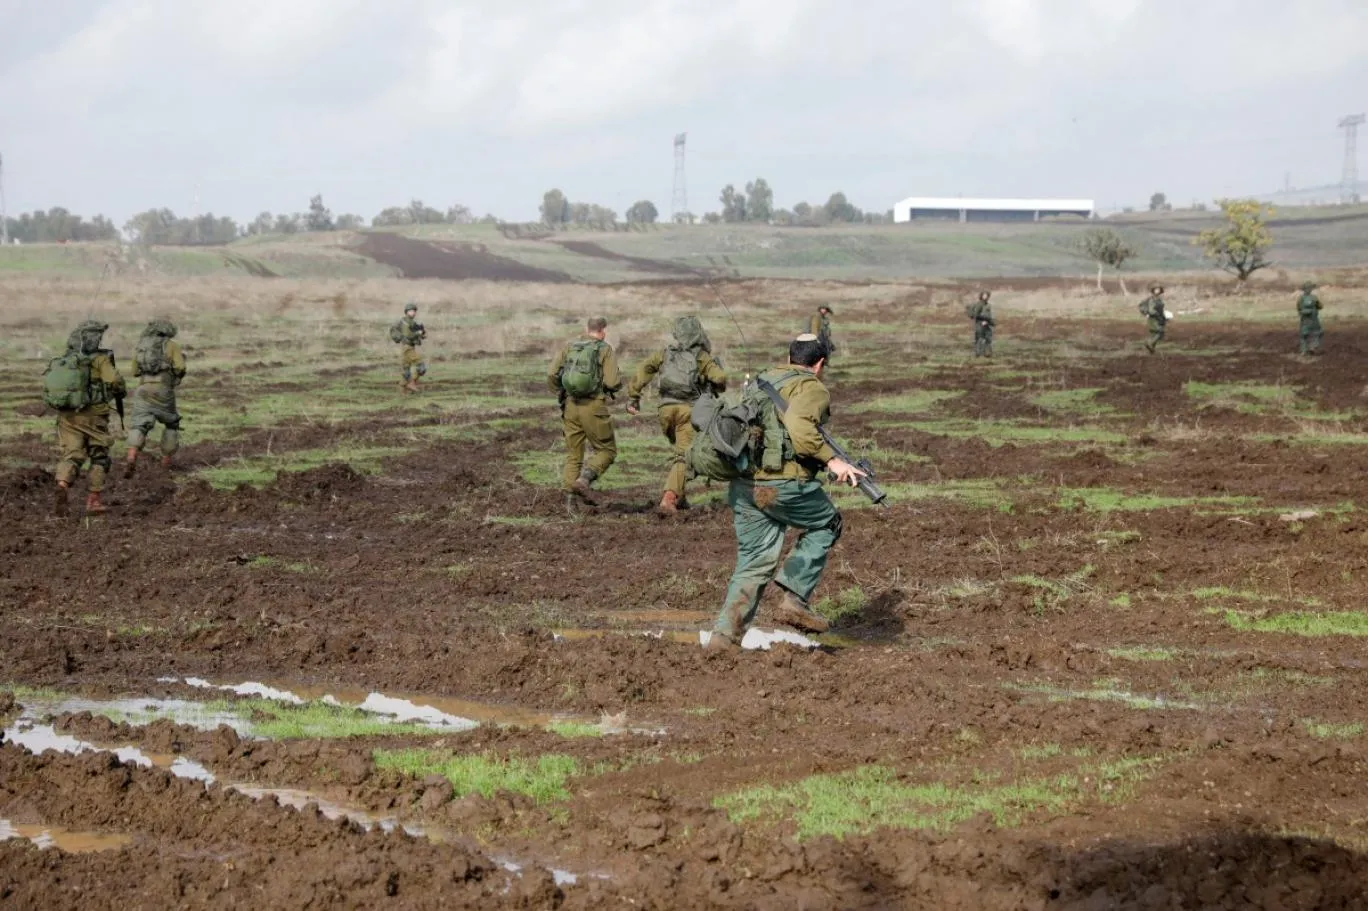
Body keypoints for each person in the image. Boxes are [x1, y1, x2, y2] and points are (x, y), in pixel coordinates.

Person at [706, 333, 866, 651]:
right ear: (819, 364)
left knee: (753, 562)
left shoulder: (763, 380)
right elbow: (800, 428)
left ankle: (723, 640)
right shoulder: (812, 387)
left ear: (790, 356)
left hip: (745, 485)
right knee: (827, 523)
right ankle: (795, 596)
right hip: (782, 485)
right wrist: (834, 463)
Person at [627, 315, 728, 516]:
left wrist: (633, 397)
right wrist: (710, 383)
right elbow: (720, 378)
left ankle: (681, 498)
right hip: (687, 411)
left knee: (680, 452)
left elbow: (643, 370)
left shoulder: (665, 353)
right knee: (684, 456)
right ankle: (669, 498)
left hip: (665, 411)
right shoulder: (701, 356)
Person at [46, 320, 126, 516]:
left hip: (68, 416)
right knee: (100, 457)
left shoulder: (67, 358)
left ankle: (63, 484)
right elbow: (114, 380)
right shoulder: (100, 359)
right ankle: (93, 501)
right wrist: (120, 391)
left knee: (72, 455)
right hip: (94, 416)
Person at [547, 316, 622, 504]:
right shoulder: (605, 350)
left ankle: (568, 503)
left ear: (587, 329)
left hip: (570, 406)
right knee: (607, 451)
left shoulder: (570, 347)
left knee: (574, 455)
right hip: (593, 407)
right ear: (603, 331)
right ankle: (585, 479)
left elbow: (551, 373)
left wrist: (560, 391)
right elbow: (612, 382)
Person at [124, 319, 186, 475]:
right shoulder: (171, 345)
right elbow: (180, 367)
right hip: (163, 389)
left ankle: (131, 456)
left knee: (139, 424)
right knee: (171, 424)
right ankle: (165, 464)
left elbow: (134, 372)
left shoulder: (142, 346)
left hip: (143, 389)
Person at [392, 303, 427, 392]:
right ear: (406, 312)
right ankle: (412, 384)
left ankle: (402, 393)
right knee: (421, 366)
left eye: (414, 311)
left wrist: (421, 334)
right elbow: (408, 335)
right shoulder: (405, 322)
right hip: (407, 348)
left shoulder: (412, 322)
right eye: (411, 311)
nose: (413, 313)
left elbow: (416, 334)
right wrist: (417, 333)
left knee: (406, 372)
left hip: (408, 348)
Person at [1138, 285, 1168, 354]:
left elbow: (1160, 309)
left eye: (1159, 289)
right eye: (1156, 289)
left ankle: (1152, 350)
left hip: (1158, 317)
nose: (1157, 291)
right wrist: (1158, 316)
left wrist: (1163, 316)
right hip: (1154, 318)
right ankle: (1149, 343)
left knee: (1154, 334)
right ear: (1153, 291)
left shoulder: (1159, 299)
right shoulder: (1152, 299)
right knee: (1160, 333)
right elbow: (1151, 311)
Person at [1296, 281, 1323, 356]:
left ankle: (1305, 350)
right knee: (1316, 333)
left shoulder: (1301, 298)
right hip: (1312, 318)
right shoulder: (1314, 298)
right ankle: (1312, 347)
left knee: (1305, 334)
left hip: (1307, 319)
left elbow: (1299, 308)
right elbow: (1320, 306)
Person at [968, 291, 995, 358]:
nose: (985, 297)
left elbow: (989, 315)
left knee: (988, 339)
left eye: (986, 295)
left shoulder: (988, 305)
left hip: (987, 324)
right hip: (980, 324)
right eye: (984, 295)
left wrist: (990, 322)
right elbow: (975, 315)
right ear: (981, 296)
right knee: (979, 339)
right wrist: (983, 319)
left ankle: (987, 353)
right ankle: (978, 354)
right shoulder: (979, 304)